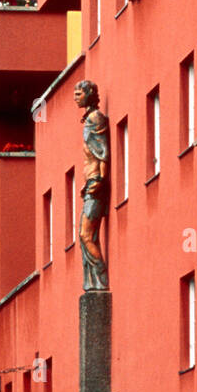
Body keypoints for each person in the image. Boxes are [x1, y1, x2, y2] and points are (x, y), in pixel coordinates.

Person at [74, 80, 110, 290]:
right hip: (90, 182)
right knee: (86, 236)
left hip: (95, 183)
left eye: (79, 93)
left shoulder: (96, 118)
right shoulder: (89, 118)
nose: (75, 97)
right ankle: (92, 281)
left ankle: (100, 278)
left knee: (85, 235)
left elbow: (103, 151)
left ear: (89, 94)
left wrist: (100, 180)